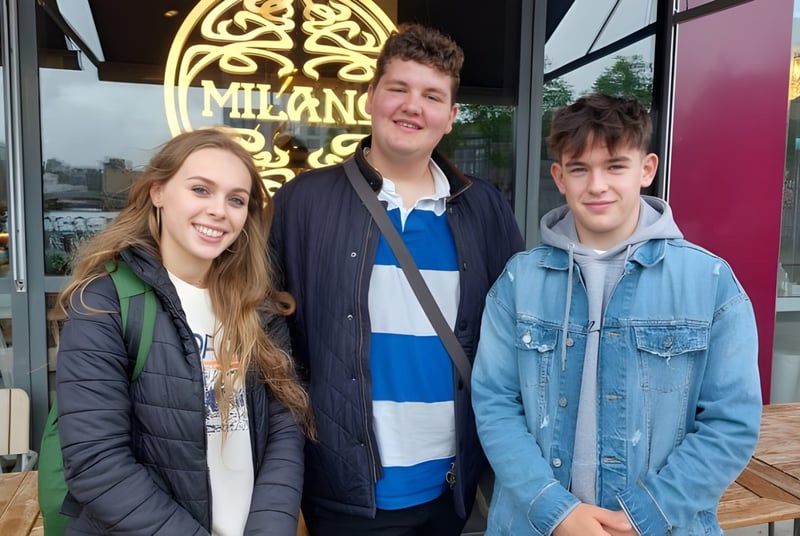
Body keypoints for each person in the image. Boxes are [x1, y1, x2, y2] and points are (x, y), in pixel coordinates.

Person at [270, 23, 524, 536]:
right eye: (398, 89)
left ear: (451, 117)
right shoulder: (303, 202)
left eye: (432, 96)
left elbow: (516, 331)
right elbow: (269, 336)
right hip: (343, 488)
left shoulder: (485, 209)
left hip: (452, 484)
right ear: (370, 98)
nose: (413, 106)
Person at [471, 93, 762, 535]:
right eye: (580, 168)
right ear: (559, 176)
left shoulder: (711, 281)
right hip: (534, 523)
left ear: (647, 169)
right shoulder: (519, 281)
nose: (597, 185)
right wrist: (557, 511)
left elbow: (731, 421)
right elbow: (494, 404)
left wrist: (644, 516)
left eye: (614, 166)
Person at [55, 127, 313, 535]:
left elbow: (285, 427)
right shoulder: (104, 302)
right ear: (158, 192)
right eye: (200, 190)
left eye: (236, 199)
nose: (219, 210)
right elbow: (97, 464)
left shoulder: (256, 305)